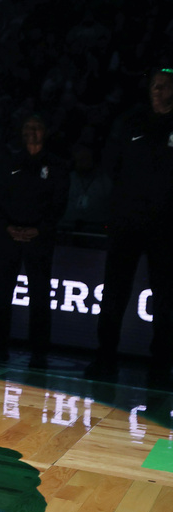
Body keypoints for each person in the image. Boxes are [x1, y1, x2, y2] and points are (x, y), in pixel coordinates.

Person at [85, 67, 173, 388]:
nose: (157, 91)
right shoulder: (131, 122)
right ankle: (104, 356)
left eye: (164, 86)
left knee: (165, 299)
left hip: (166, 229)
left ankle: (161, 364)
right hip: (127, 224)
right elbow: (111, 166)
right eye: (154, 85)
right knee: (114, 293)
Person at [0, 114, 68, 369]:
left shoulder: (56, 166)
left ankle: (39, 353)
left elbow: (59, 204)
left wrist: (39, 229)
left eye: (37, 126)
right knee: (3, 293)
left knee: (40, 295)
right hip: (8, 236)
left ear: (45, 131)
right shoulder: (8, 162)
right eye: (28, 126)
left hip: (39, 239)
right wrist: (7, 225)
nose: (32, 131)